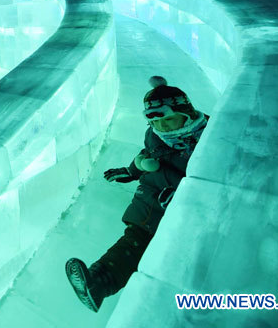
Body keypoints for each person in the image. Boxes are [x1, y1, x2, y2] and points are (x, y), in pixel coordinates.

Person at [65, 76, 209, 312]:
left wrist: (184, 198)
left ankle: (102, 282)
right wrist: (131, 170)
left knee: (143, 238)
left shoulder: (206, 141)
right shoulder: (155, 134)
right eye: (158, 124)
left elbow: (213, 180)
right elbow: (148, 152)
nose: (164, 129)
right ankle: (98, 282)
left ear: (187, 113)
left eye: (170, 121)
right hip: (152, 191)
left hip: (176, 198)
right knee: (136, 235)